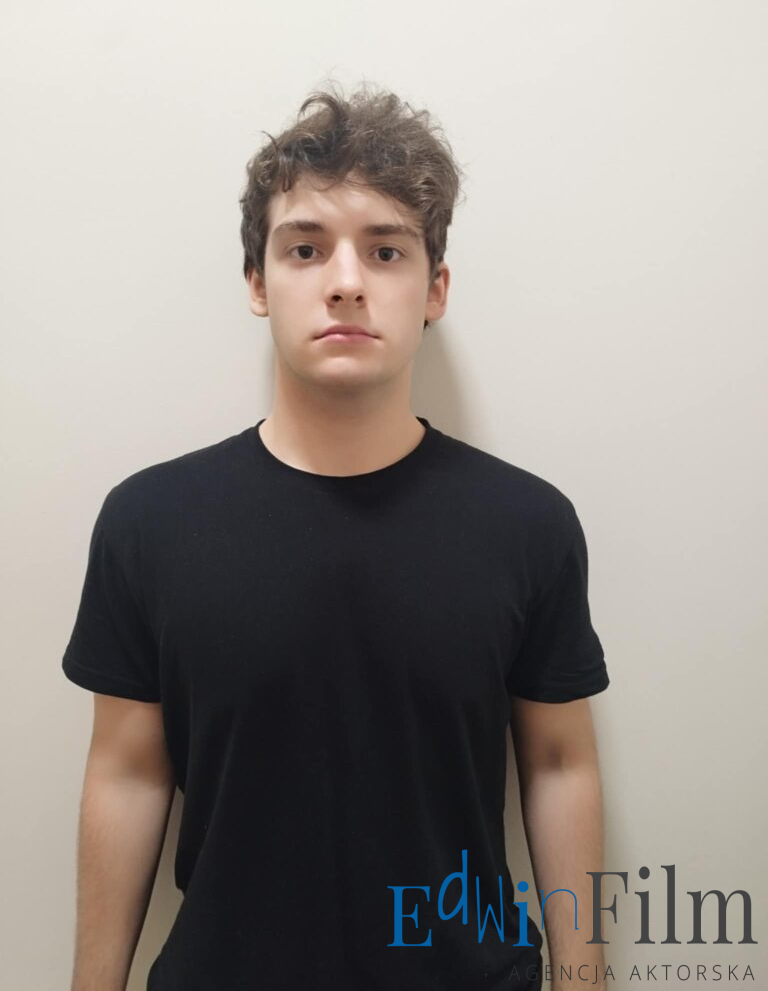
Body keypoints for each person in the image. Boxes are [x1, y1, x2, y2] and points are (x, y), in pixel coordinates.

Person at [61, 80, 610, 991]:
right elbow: (125, 775)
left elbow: (558, 764)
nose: (346, 281)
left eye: (385, 251)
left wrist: (586, 981)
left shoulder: (527, 524)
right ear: (257, 283)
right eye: (306, 248)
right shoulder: (147, 523)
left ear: (434, 289)